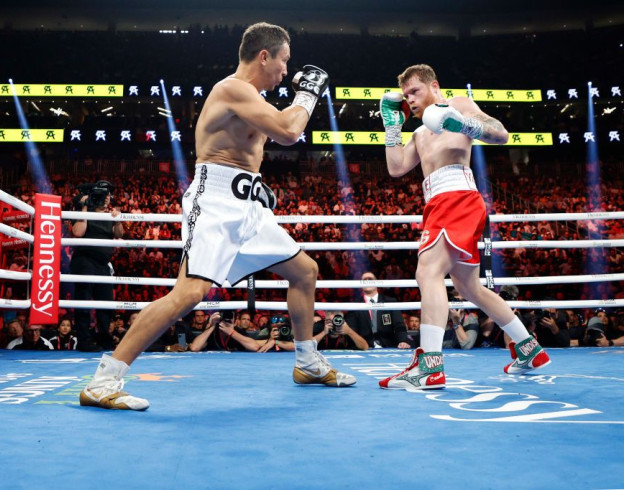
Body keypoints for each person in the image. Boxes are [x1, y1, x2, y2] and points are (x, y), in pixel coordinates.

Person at [80, 22, 355, 411]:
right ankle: (103, 381)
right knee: (190, 293)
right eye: (284, 61)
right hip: (215, 202)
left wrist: (255, 186)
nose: (286, 71)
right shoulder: (231, 89)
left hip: (247, 205)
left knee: (304, 271)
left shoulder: (252, 97)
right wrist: (308, 93)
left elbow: (250, 152)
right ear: (265, 56)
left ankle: (307, 362)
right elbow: (289, 131)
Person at [378, 64, 550, 390]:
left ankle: (430, 366)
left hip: (456, 196)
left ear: (434, 86)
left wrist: (462, 123)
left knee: (427, 273)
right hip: (438, 202)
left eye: (414, 91)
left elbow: (500, 135)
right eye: (405, 95)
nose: (409, 100)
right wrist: (391, 125)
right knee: (469, 287)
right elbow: (396, 168)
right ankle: (529, 348)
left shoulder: (456, 105)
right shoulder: (418, 132)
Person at [69, 180, 121, 352]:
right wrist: (84, 208)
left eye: (108, 195)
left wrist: (117, 220)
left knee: (106, 302)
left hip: (103, 263)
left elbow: (119, 235)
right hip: (84, 260)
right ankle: (84, 341)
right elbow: (78, 233)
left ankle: (104, 339)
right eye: (103, 195)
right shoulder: (85, 211)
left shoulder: (110, 214)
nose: (107, 198)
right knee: (83, 300)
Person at [344, 271, 411, 349]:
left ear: (377, 282)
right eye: (364, 280)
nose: (368, 281)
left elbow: (399, 324)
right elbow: (352, 329)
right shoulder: (355, 305)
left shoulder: (390, 301)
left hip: (389, 347)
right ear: (361, 285)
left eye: (370, 279)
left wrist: (402, 341)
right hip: (364, 349)